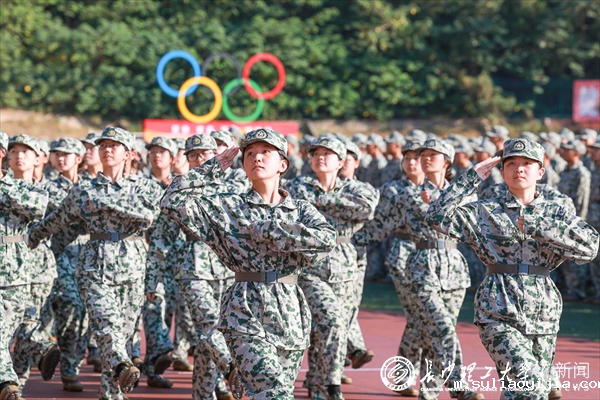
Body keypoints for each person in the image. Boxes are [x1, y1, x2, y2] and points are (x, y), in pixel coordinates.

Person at [161, 128, 337, 399]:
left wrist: (273, 230)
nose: (257, 158)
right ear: (243, 165)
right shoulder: (228, 207)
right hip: (244, 311)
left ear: (283, 165)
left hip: (290, 312)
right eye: (250, 154)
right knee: (272, 392)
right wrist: (212, 168)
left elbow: (326, 240)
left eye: (266, 152)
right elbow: (172, 201)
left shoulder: (301, 210)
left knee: (278, 392)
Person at [426, 138, 599, 400]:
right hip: (498, 310)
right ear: (503, 171)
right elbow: (435, 216)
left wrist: (535, 225)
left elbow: (590, 247)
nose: (519, 168)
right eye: (511, 163)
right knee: (531, 385)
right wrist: (471, 178)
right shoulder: (485, 211)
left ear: (540, 171)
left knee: (520, 392)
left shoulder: (556, 211)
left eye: (527, 163)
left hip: (543, 314)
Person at [28, 127, 163, 399]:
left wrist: (102, 203)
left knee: (123, 336)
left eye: (114, 145)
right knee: (106, 325)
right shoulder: (84, 189)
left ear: (129, 153)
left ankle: (111, 394)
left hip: (133, 266)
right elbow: (58, 219)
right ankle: (120, 368)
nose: (107, 150)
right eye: (103, 145)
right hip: (94, 266)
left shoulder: (146, 187)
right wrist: (31, 238)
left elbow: (148, 217)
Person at [285, 136, 379, 400]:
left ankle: (318, 386)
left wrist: (322, 201)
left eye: (327, 154)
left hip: (346, 268)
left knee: (328, 330)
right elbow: (292, 210)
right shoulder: (297, 186)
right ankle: (332, 386)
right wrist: (336, 205)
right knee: (333, 322)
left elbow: (366, 209)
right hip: (310, 267)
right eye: (316, 154)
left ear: (340, 162)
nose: (320, 158)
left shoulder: (359, 189)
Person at [146, 133, 235, 400]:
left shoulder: (233, 187)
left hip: (228, 268)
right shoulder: (180, 190)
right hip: (192, 266)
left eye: (204, 154)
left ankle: (204, 393)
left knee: (215, 334)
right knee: (208, 324)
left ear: (215, 155)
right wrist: (152, 279)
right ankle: (232, 369)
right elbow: (160, 238)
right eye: (193, 155)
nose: (198, 159)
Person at [353, 140, 424, 397]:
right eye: (408, 158)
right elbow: (372, 221)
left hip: (439, 260)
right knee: (419, 316)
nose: (412, 162)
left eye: (417, 158)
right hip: (405, 256)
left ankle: (407, 376)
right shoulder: (392, 189)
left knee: (422, 319)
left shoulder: (440, 190)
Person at [0, 130, 58, 400]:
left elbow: (37, 207)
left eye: (24, 151)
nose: (18, 156)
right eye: (15, 151)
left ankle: (12, 383)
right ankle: (12, 381)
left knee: (14, 330)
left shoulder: (27, 188)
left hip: (15, 272)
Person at [42, 138, 90, 392]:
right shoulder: (47, 187)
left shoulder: (91, 186)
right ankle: (67, 366)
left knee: (85, 315)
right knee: (70, 307)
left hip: (90, 256)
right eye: (57, 154)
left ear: (78, 158)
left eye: (67, 154)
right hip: (60, 255)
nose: (61, 158)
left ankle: (73, 365)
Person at [557, 139, 591, 301]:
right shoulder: (565, 171)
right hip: (563, 219)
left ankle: (578, 290)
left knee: (575, 255)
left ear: (576, 153)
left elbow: (582, 200)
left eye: (567, 149)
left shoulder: (581, 173)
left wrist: (578, 223)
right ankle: (570, 288)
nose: (563, 152)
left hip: (574, 220)